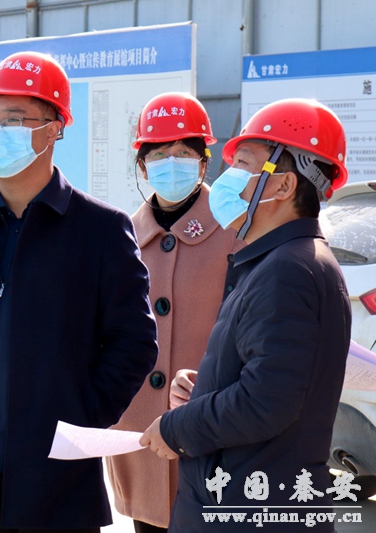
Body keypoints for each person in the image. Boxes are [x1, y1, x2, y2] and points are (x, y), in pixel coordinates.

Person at [0, 51, 158, 532]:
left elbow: (134, 341)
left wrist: (84, 417)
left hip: (57, 477)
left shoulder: (101, 229)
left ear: (54, 128)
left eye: (14, 119)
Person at [140, 98, 352, 532]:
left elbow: (265, 402)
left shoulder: (289, 269)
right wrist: (208, 387)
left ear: (283, 185)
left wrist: (176, 428)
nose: (227, 177)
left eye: (242, 164)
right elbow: (274, 379)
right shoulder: (280, 261)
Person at [105, 92, 237, 533]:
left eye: (184, 152)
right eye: (159, 154)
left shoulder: (237, 229)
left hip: (212, 427)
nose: (172, 162)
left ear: (203, 162)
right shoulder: (121, 236)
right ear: (142, 166)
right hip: (138, 433)